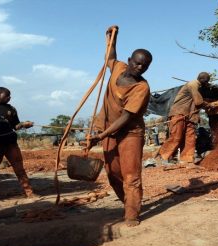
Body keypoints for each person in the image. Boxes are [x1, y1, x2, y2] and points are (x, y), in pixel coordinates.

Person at [90, 25, 152, 227]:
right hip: (108, 130)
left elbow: (126, 117)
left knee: (131, 175)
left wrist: (100, 136)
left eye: (145, 66)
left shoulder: (141, 87)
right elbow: (110, 58)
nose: (140, 68)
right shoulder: (118, 68)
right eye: (137, 63)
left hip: (130, 134)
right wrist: (111, 39)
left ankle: (132, 214)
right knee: (112, 173)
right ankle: (128, 202)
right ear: (130, 61)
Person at [157, 72, 211, 164]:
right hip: (179, 113)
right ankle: (161, 156)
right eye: (206, 81)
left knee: (190, 138)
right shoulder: (193, 84)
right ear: (201, 79)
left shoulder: (198, 87)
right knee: (176, 137)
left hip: (190, 116)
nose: (207, 83)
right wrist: (210, 105)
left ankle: (187, 159)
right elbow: (198, 102)